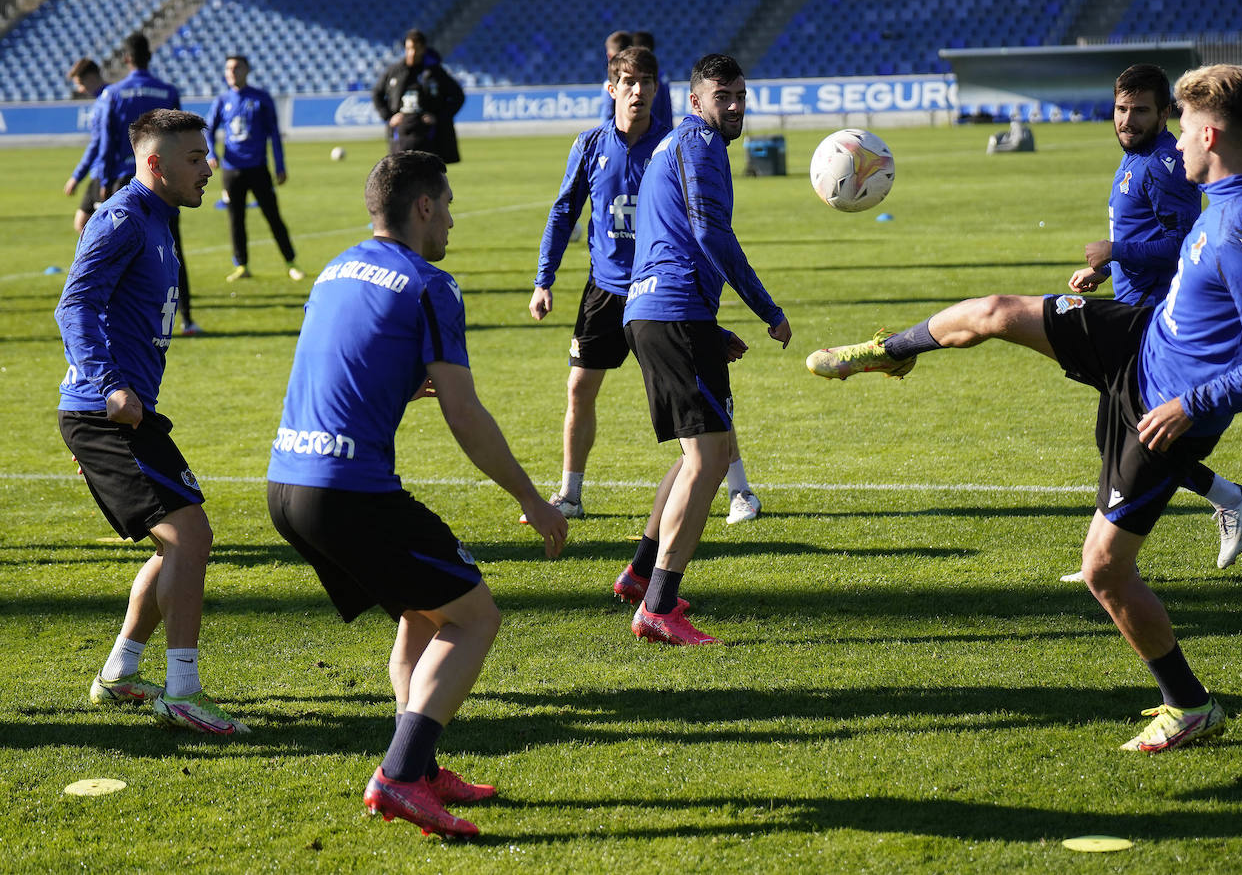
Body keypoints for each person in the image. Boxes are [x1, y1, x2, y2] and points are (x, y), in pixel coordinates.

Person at [806, 65, 1242, 752]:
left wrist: (1200, 401)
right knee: (996, 312)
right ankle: (892, 349)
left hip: (1162, 405)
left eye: (1185, 127)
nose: (1178, 142)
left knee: (1104, 569)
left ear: (1211, 132)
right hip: (1139, 335)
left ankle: (1190, 705)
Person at [266, 151, 567, 840]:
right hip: (348, 491)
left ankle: (421, 767)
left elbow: (344, 365)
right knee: (474, 617)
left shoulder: (336, 266)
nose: (454, 221)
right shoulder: (429, 283)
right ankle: (400, 776)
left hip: (288, 484)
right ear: (424, 207)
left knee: (422, 612)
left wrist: (402, 383)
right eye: (449, 205)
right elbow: (465, 413)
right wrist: (533, 497)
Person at [56, 108, 246, 736]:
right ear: (155, 164)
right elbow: (74, 304)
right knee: (189, 536)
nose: (208, 168)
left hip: (127, 412)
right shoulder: (121, 219)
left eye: (207, 155)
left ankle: (119, 672)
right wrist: (107, 387)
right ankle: (184, 692)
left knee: (182, 542)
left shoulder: (160, 220)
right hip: (104, 411)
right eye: (195, 158)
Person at [528, 46, 763, 526]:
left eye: (647, 83)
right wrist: (543, 279)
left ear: (659, 89)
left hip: (661, 292)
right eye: (628, 83)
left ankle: (739, 490)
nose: (639, 92)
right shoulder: (590, 145)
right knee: (579, 388)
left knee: (699, 399)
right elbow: (563, 212)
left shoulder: (673, 144)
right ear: (611, 89)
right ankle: (570, 494)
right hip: (606, 290)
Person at [1061, 63, 1242, 580]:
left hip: (1153, 321)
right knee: (1118, 439)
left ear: (1165, 113)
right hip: (1133, 306)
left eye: (1140, 110)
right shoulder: (1135, 159)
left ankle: (1105, 561)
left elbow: (1188, 241)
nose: (1127, 120)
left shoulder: (1164, 164)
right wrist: (1106, 267)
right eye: (1121, 109)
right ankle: (1227, 497)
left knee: (1132, 438)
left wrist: (1117, 249)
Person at [619, 53, 792, 646]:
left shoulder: (670, 145)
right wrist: (767, 308)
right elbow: (708, 230)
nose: (736, 105)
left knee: (699, 452)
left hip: (657, 312)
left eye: (742, 94)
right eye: (724, 96)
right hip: (672, 314)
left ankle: (641, 575)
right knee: (709, 460)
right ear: (696, 100)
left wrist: (706, 324)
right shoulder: (699, 145)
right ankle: (659, 607)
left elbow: (664, 239)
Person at [98, 33, 200, 335]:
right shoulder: (167, 91)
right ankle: (186, 318)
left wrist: (104, 183)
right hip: (163, 183)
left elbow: (106, 143)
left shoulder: (113, 94)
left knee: (119, 251)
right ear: (149, 57)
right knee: (172, 251)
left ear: (127, 59)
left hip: (125, 184)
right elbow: (184, 138)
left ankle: (123, 321)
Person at [207, 54, 306, 283]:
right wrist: (212, 153)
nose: (232, 72)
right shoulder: (222, 100)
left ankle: (291, 262)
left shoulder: (261, 98)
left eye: (236, 68)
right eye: (228, 69)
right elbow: (208, 129)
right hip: (232, 171)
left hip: (258, 168)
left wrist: (280, 166)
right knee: (235, 219)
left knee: (273, 216)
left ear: (247, 70)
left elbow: (274, 134)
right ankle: (242, 265)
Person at [372, 29, 465, 164]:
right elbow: (377, 94)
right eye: (409, 48)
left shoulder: (435, 72)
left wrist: (439, 118)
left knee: (429, 175)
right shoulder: (394, 71)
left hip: (429, 134)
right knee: (399, 172)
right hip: (401, 132)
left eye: (416, 48)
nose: (412, 53)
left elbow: (458, 96)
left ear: (423, 49)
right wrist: (388, 116)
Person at [62, 57, 110, 234]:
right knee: (83, 223)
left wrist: (76, 176)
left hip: (104, 171)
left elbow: (97, 144)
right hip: (101, 171)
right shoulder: (108, 97)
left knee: (93, 226)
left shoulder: (106, 100)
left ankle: (106, 260)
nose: (80, 89)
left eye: (81, 83)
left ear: (91, 77)